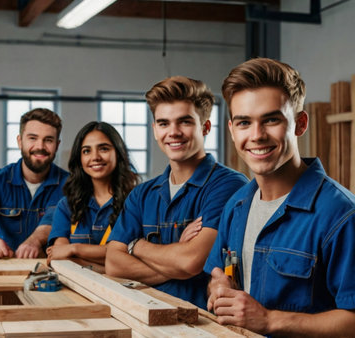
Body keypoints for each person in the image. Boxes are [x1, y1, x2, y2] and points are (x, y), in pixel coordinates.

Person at [204, 58, 355, 336]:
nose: (256, 135)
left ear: (300, 123)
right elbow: (218, 274)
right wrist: (218, 288)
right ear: (231, 129)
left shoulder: (344, 216)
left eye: (271, 119)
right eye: (244, 123)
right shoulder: (237, 205)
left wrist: (269, 320)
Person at [105, 76, 249, 309]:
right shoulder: (142, 195)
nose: (173, 132)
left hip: (201, 326)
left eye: (184, 122)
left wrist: (136, 246)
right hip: (145, 318)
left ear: (205, 127)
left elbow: (191, 261)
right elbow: (113, 263)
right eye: (163, 123)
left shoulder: (228, 185)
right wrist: (178, 262)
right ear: (154, 130)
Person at [0, 108, 69, 259]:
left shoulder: (69, 184)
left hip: (48, 269)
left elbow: (52, 221)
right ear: (20, 141)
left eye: (48, 140)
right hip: (4, 265)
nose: (40, 146)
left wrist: (35, 241)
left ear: (57, 144)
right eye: (32, 138)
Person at [46, 121, 140, 273]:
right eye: (86, 151)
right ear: (79, 159)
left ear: (118, 152)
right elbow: (59, 255)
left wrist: (75, 249)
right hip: (76, 288)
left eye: (103, 148)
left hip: (125, 289)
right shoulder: (67, 205)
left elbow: (126, 255)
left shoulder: (135, 202)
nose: (95, 157)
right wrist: (103, 261)